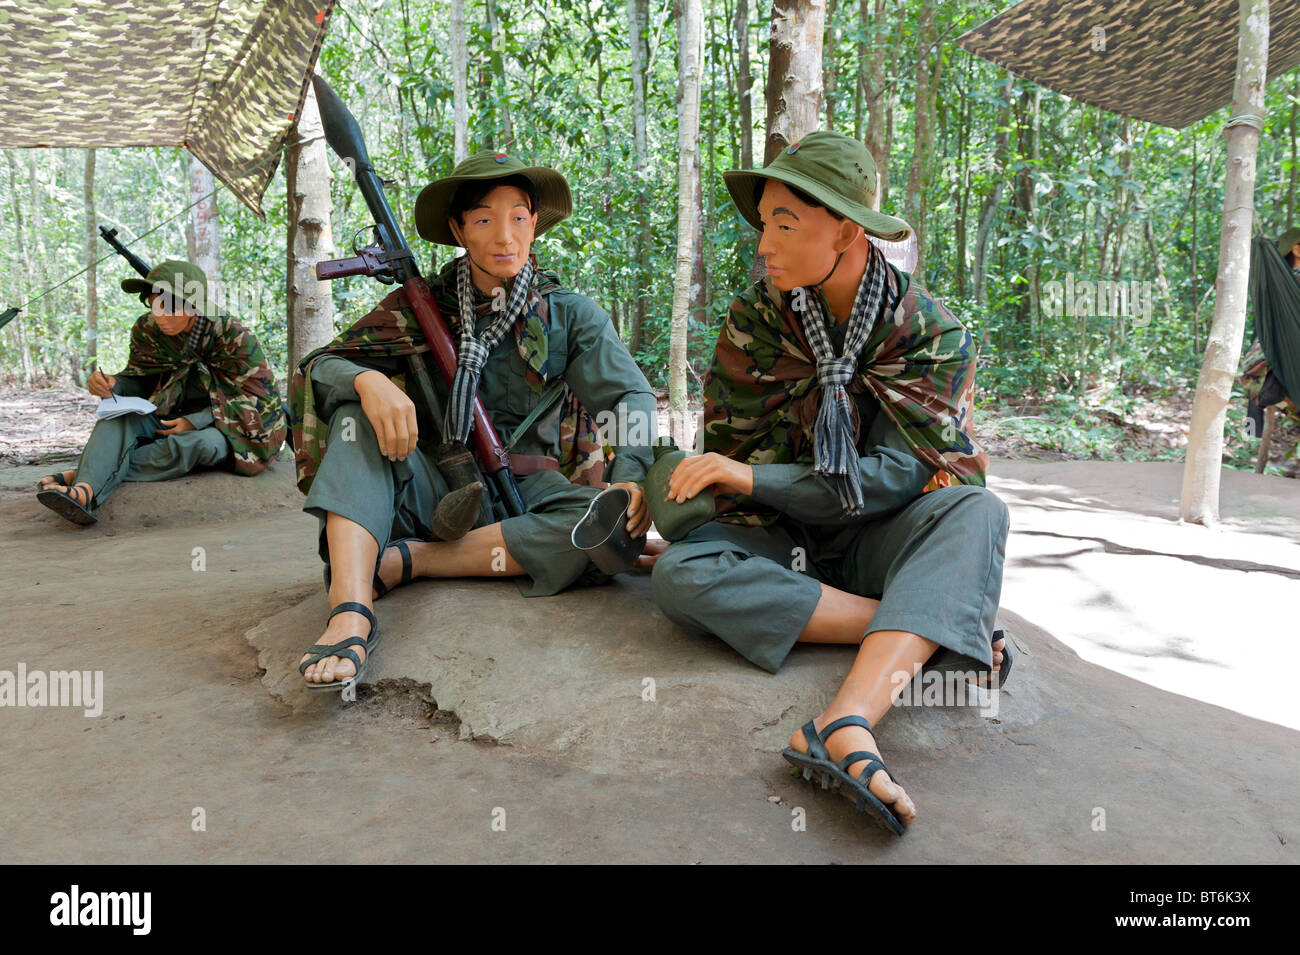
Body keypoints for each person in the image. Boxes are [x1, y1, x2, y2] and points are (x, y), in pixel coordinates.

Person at [649, 131, 1011, 834]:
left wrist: (752, 476)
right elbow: (735, 448)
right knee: (679, 575)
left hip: (881, 538)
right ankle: (929, 623)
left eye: (785, 224)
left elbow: (890, 483)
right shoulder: (757, 318)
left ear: (846, 230)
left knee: (977, 513)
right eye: (764, 225)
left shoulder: (931, 333)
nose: (765, 246)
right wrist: (700, 486)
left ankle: (845, 721)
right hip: (784, 537)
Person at [289, 149, 660, 692]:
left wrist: (629, 477)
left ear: (535, 222)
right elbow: (319, 365)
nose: (504, 236)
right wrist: (366, 383)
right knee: (353, 416)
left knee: (602, 538)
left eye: (517, 217)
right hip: (432, 484)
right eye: (484, 219)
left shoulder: (567, 313)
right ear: (459, 230)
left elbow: (630, 397)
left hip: (530, 491)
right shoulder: (420, 306)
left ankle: (411, 562)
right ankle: (350, 610)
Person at [37, 259, 286, 525]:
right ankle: (83, 493)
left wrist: (194, 422)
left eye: (170, 306)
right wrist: (112, 385)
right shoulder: (148, 331)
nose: (160, 315)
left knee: (198, 444)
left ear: (194, 305)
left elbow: (258, 403)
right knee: (118, 418)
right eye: (154, 303)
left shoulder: (233, 336)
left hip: (229, 429)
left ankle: (94, 470)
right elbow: (140, 380)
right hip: (168, 412)